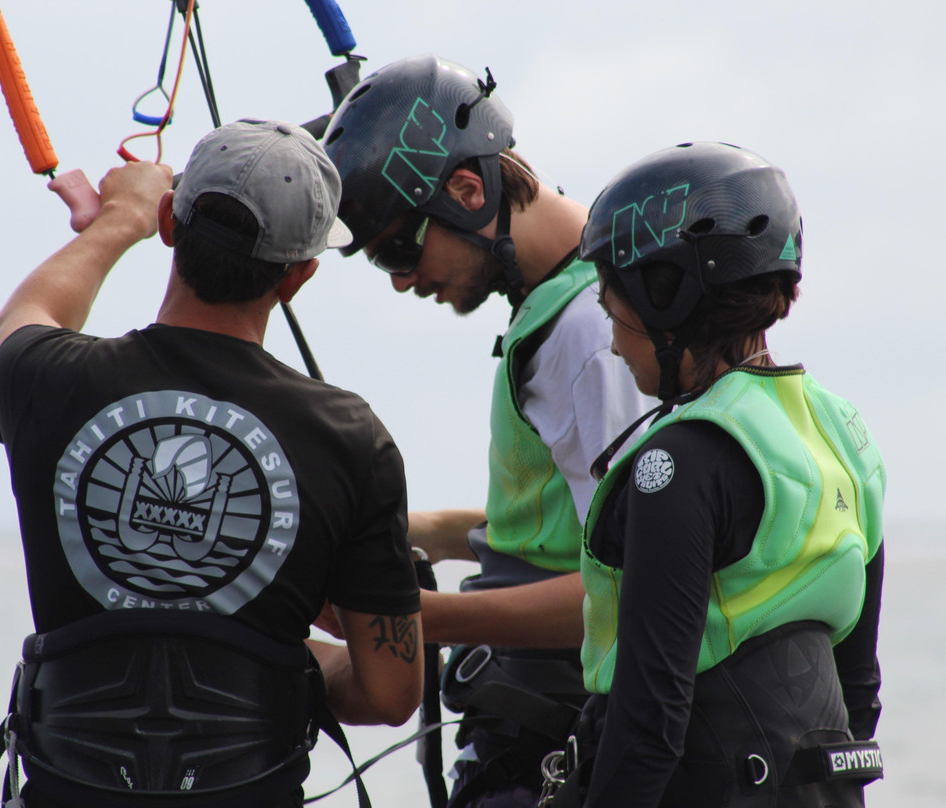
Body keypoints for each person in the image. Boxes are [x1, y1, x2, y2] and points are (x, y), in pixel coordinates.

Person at [0, 119, 424, 808]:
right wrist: (274, 663)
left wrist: (116, 220)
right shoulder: (350, 437)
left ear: (169, 224)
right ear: (300, 275)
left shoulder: (46, 378)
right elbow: (391, 692)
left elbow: (22, 318)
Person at [320, 54, 652, 807]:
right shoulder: (561, 305)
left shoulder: (588, 334)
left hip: (550, 737)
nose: (403, 280)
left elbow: (640, 583)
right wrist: (416, 531)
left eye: (400, 249)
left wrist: (417, 619)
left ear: (468, 191)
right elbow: (577, 528)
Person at [541, 142, 885, 807]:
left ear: (665, 298)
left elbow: (649, 724)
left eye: (615, 311)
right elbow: (858, 692)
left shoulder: (681, 462)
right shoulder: (845, 435)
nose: (613, 341)